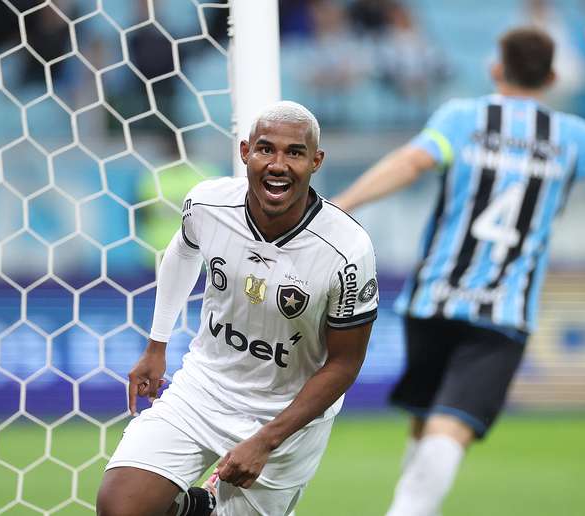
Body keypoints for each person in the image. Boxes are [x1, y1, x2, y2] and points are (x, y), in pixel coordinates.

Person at [333, 6, 585, 515]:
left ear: (495, 69)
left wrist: (341, 206)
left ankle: (411, 508)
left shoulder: (464, 117)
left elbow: (412, 162)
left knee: (426, 417)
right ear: (552, 77)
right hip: (503, 309)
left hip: (432, 299)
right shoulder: (569, 135)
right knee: (449, 424)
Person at [97, 101, 379, 516]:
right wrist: (156, 346)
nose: (278, 164)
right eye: (266, 149)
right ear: (245, 152)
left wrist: (266, 440)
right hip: (204, 388)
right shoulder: (208, 204)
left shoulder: (347, 251)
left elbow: (344, 364)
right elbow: (181, 252)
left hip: (285, 417)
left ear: (316, 161)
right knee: (120, 506)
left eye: (294, 153)